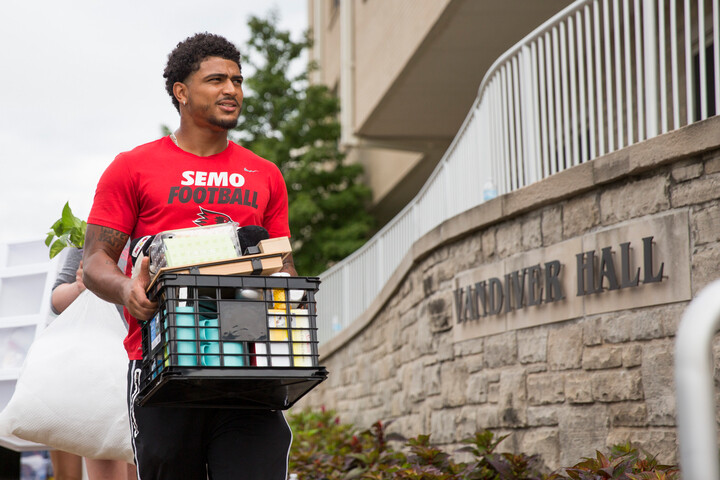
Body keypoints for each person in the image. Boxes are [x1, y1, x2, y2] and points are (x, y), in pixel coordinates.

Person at [82, 33, 297, 479]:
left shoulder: (265, 174)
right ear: (181, 92)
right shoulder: (133, 167)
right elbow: (95, 261)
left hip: (248, 361)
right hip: (164, 363)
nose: (231, 90)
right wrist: (127, 289)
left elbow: (282, 261)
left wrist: (289, 296)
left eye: (237, 80)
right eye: (216, 79)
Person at [49, 248, 137, 480]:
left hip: (143, 362)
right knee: (103, 448)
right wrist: (79, 287)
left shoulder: (155, 228)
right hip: (100, 366)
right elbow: (56, 301)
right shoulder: (88, 239)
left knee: (142, 456)